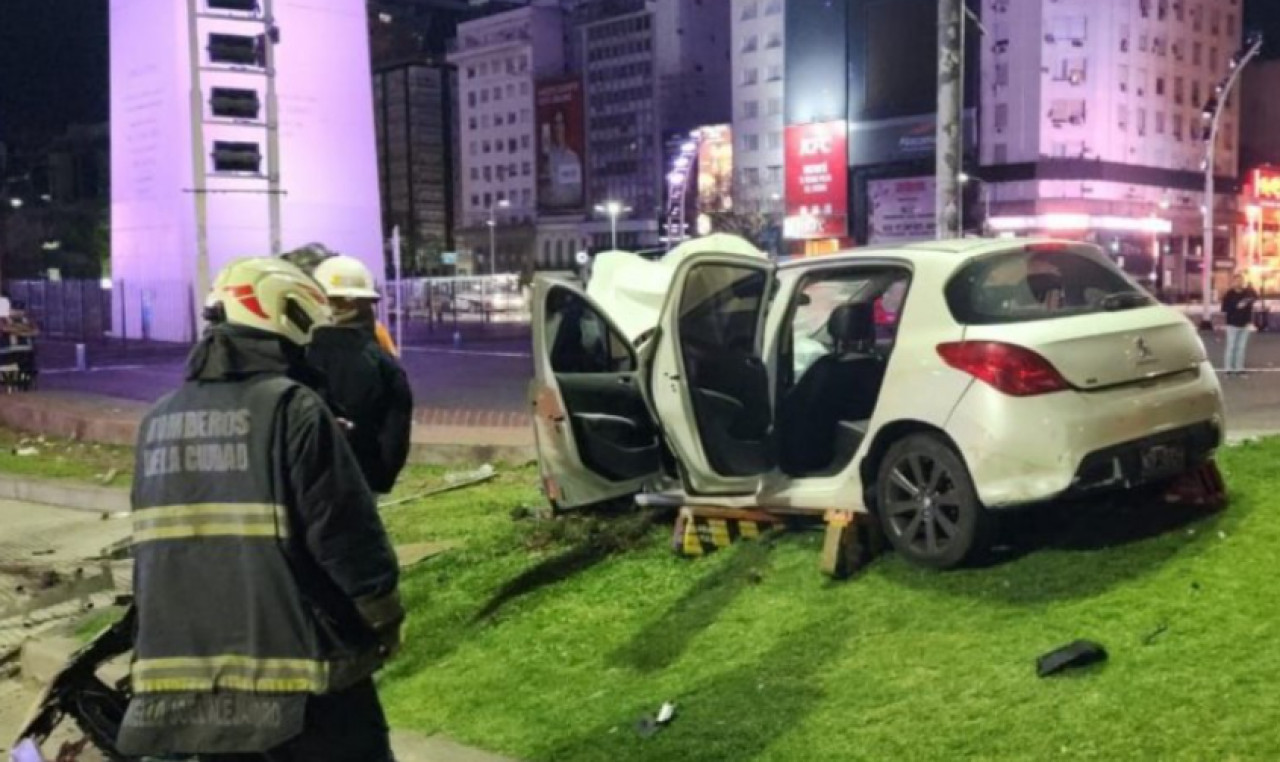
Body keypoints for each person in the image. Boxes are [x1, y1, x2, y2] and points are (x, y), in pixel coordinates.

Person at [117, 258, 403, 761]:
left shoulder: (157, 420)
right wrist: (382, 614)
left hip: (180, 682)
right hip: (298, 680)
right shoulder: (293, 408)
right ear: (285, 315)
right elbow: (343, 532)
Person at [309, 254, 414, 494]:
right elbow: (395, 431)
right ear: (366, 304)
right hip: (362, 480)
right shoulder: (382, 363)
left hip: (308, 481)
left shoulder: (297, 354)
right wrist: (380, 479)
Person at [1222, 274, 1259, 377]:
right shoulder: (1229, 294)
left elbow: (1255, 297)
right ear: (1233, 282)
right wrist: (1236, 306)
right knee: (1231, 346)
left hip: (1245, 323)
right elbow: (1224, 308)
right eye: (1237, 281)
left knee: (1241, 347)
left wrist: (1251, 288)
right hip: (1232, 324)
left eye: (1241, 280)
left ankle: (1239, 368)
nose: (1239, 283)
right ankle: (1228, 369)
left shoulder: (1247, 292)